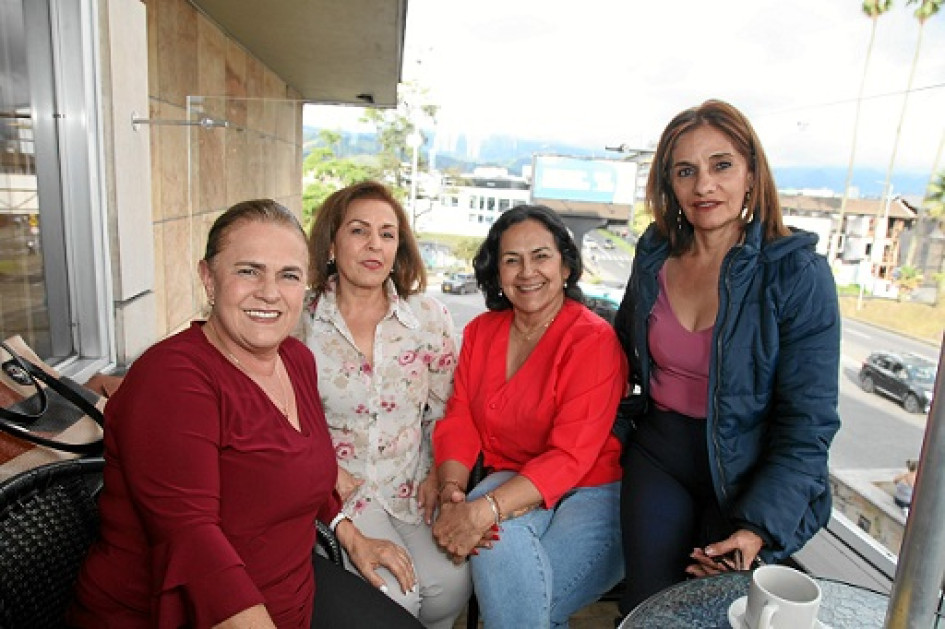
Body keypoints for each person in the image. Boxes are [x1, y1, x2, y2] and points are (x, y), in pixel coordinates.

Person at [68, 199, 421, 629]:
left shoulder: (295, 359)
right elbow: (193, 543)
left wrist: (351, 534)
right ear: (208, 278)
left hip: (295, 591)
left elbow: (302, 473)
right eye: (249, 271)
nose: (270, 292)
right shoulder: (173, 379)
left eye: (288, 275)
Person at [613, 99, 841, 615]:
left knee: (715, 612)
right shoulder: (654, 254)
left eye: (721, 166)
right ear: (669, 184)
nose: (704, 186)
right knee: (646, 607)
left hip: (748, 473)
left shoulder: (796, 274)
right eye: (685, 171)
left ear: (752, 174)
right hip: (661, 455)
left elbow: (808, 424)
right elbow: (618, 350)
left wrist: (757, 527)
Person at [431, 204, 628, 628]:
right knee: (515, 587)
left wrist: (484, 510)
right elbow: (460, 417)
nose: (527, 273)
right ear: (496, 271)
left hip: (593, 488)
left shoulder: (592, 340)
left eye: (541, 256)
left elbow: (571, 456)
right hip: (512, 477)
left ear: (565, 266)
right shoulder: (481, 332)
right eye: (511, 260)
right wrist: (452, 493)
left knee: (521, 605)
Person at [303, 181, 471, 629]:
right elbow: (282, 419)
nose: (374, 244)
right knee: (395, 597)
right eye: (359, 230)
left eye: (387, 233)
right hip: (339, 490)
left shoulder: (428, 317)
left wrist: (438, 473)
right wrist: (323, 472)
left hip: (410, 482)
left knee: (450, 586)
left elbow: (445, 410)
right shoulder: (301, 320)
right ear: (332, 244)